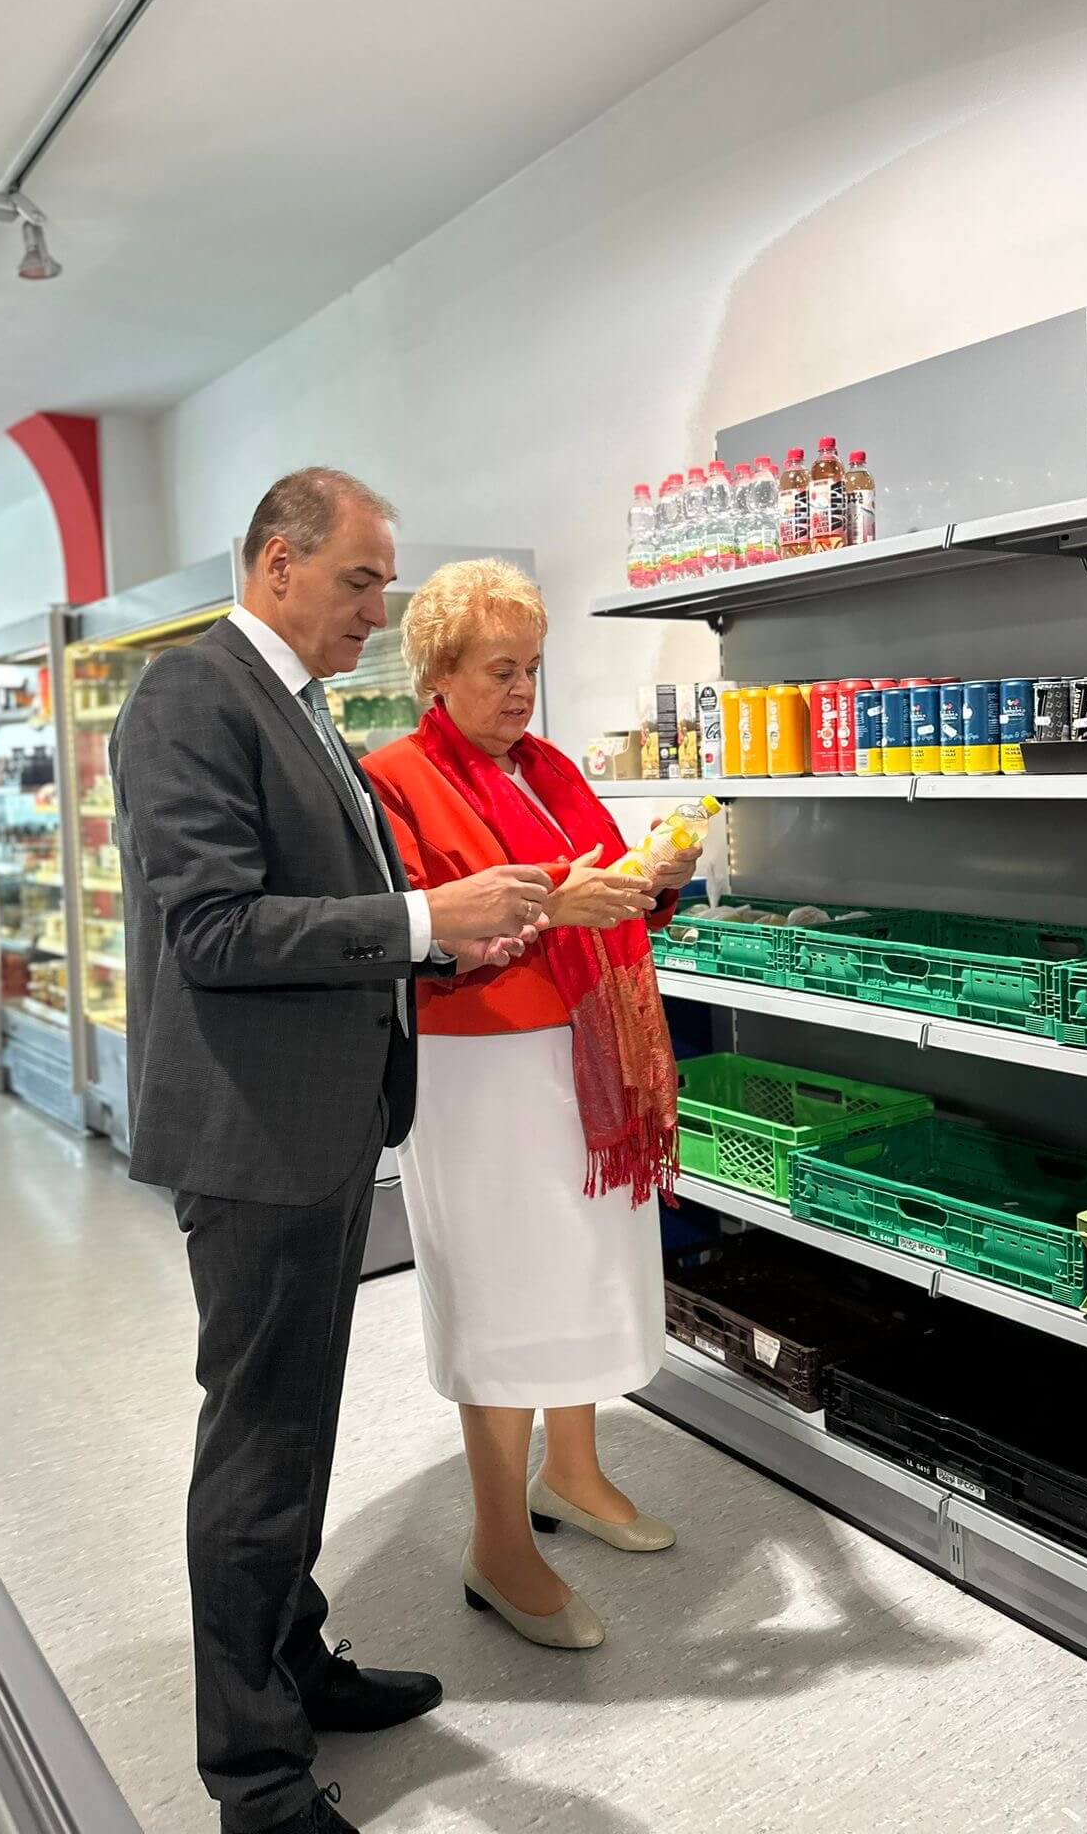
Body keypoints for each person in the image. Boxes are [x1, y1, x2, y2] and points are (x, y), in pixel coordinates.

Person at [110, 474, 552, 1834]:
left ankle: (293, 1657)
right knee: (257, 1443)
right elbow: (213, 932)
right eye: (361, 580)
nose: (378, 607)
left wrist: (445, 938)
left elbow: (324, 905)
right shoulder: (192, 697)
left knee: (296, 1420)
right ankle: (255, 1776)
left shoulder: (300, 706)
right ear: (276, 564)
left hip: (318, 1120)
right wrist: (422, 919)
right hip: (255, 1135)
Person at [364, 559, 701, 1652]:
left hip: (582, 1057)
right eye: (499, 669)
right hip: (480, 1074)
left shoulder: (546, 766)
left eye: (533, 668)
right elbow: (420, 930)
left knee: (584, 1267)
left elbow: (603, 883)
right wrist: (561, 902)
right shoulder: (395, 779)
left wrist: (657, 877)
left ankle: (574, 1471)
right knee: (502, 1290)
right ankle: (499, 1541)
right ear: (438, 671)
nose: (522, 689)